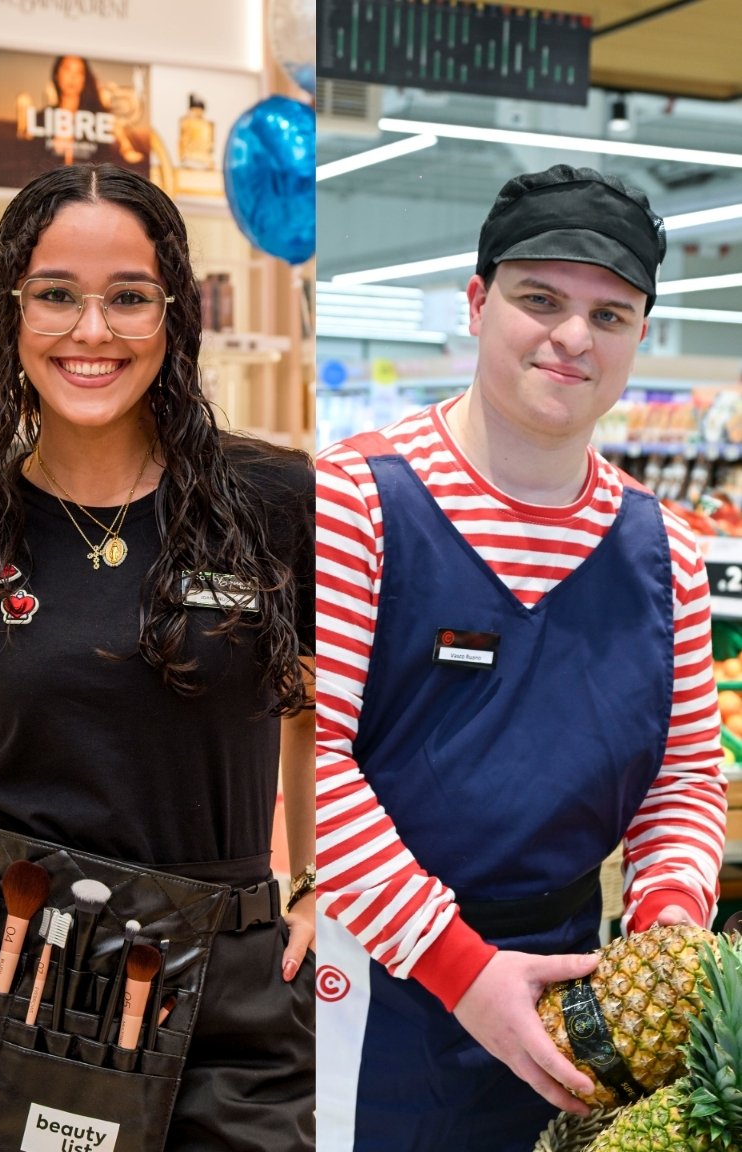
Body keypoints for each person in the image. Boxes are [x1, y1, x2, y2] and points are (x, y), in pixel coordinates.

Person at [0, 162, 316, 1151]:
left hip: (235, 992)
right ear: (10, 314)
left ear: (172, 315)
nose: (91, 331)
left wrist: (323, 888)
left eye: (127, 298)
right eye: (56, 296)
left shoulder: (276, 507)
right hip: (20, 974)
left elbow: (329, 719)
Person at [314, 166, 730, 1150]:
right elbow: (307, 761)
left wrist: (663, 935)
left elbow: (683, 782)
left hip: (582, 1003)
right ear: (475, 302)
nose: (573, 337)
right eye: (538, 299)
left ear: (638, 337)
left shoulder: (664, 550)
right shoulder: (354, 504)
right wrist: (461, 968)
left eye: (610, 314)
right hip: (377, 987)